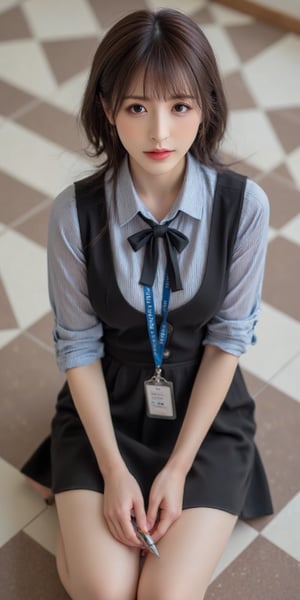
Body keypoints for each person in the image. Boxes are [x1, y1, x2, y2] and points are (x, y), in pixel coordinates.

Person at [22, 8, 273, 600]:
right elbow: (79, 348)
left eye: (180, 106)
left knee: (164, 595)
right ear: (107, 109)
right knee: (106, 592)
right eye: (137, 107)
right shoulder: (74, 214)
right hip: (106, 410)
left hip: (201, 422)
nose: (159, 132)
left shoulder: (244, 207)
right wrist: (112, 472)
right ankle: (84, 485)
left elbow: (228, 340)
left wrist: (179, 467)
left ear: (207, 106)